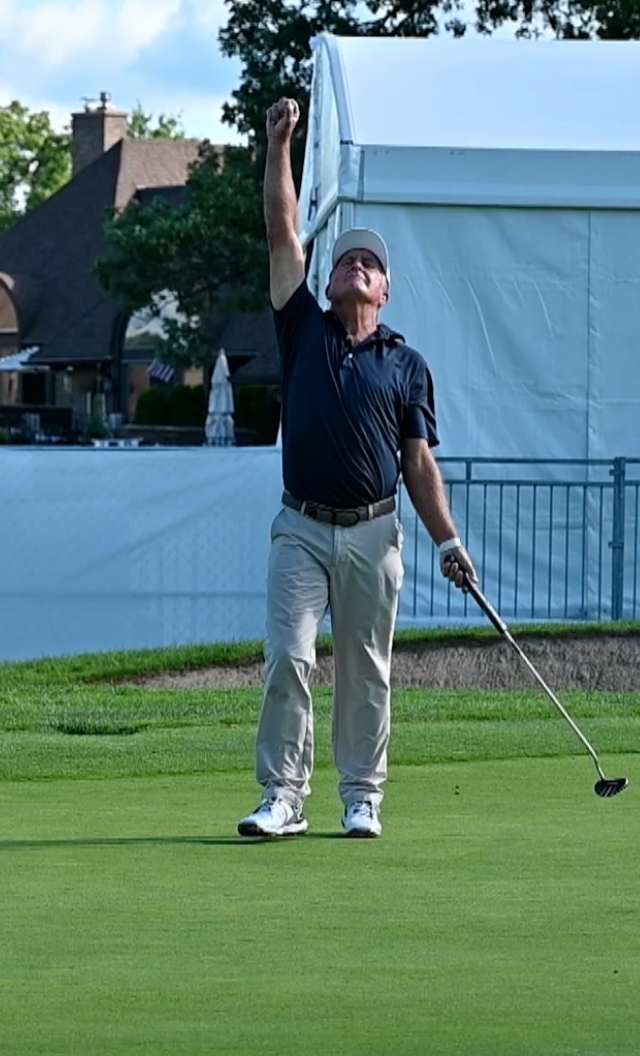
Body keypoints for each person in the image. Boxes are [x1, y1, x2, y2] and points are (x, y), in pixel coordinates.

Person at [238, 96, 476, 840]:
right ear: (329, 279)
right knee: (289, 658)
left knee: (366, 669)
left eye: (369, 263)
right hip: (302, 528)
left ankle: (362, 796)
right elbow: (282, 232)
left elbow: (418, 462)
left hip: (375, 534)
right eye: (346, 259)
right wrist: (279, 143)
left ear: (385, 289)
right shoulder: (301, 329)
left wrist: (447, 540)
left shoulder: (406, 365)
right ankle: (283, 796)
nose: (356, 266)